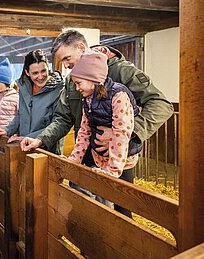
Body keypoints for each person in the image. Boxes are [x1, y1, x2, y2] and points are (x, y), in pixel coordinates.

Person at [20, 29, 174, 217]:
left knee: (120, 213)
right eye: (64, 62)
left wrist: (124, 133)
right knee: (83, 212)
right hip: (86, 155)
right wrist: (42, 139)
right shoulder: (73, 80)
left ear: (81, 47)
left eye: (68, 59)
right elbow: (63, 117)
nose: (67, 66)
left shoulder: (120, 71)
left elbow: (161, 105)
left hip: (119, 158)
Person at [67, 51, 142, 215]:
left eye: (79, 83)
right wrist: (75, 159)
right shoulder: (88, 98)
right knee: (102, 202)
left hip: (123, 158)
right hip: (100, 156)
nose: (77, 88)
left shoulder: (119, 96)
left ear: (94, 79)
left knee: (123, 206)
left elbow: (121, 133)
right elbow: (84, 131)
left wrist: (113, 170)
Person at [0, 49, 65, 154]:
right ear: (27, 72)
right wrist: (7, 130)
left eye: (43, 71)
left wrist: (28, 137)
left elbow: (58, 124)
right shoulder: (23, 87)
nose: (40, 76)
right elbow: (20, 115)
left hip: (46, 149)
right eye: (35, 73)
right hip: (23, 146)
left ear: (48, 68)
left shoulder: (60, 89)